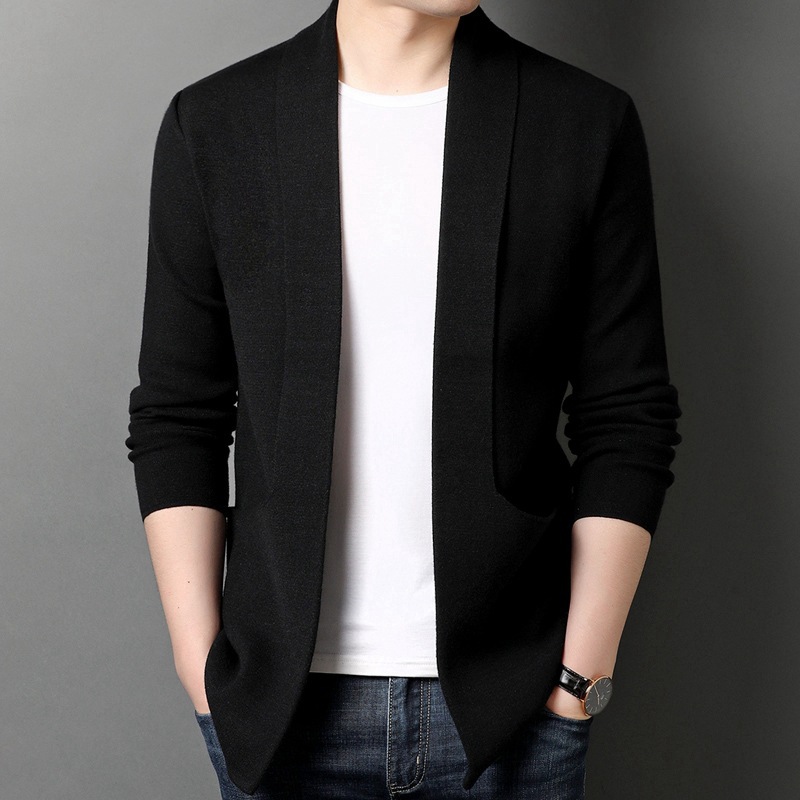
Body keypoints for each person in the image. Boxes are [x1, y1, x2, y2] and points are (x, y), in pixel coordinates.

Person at [125, 0, 682, 797]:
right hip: (278, 716)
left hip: (514, 709)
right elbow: (180, 413)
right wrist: (199, 662)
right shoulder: (216, 124)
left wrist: (579, 680)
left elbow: (627, 416)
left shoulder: (583, 124)